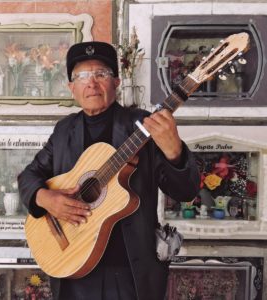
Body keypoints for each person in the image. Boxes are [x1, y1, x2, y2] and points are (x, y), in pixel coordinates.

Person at [18, 41, 200, 300]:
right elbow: (28, 176)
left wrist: (174, 152)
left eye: (101, 74)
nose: (91, 83)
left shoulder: (143, 127)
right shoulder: (63, 131)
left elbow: (185, 191)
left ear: (116, 82)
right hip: (73, 268)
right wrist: (45, 198)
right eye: (82, 76)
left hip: (131, 276)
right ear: (72, 88)